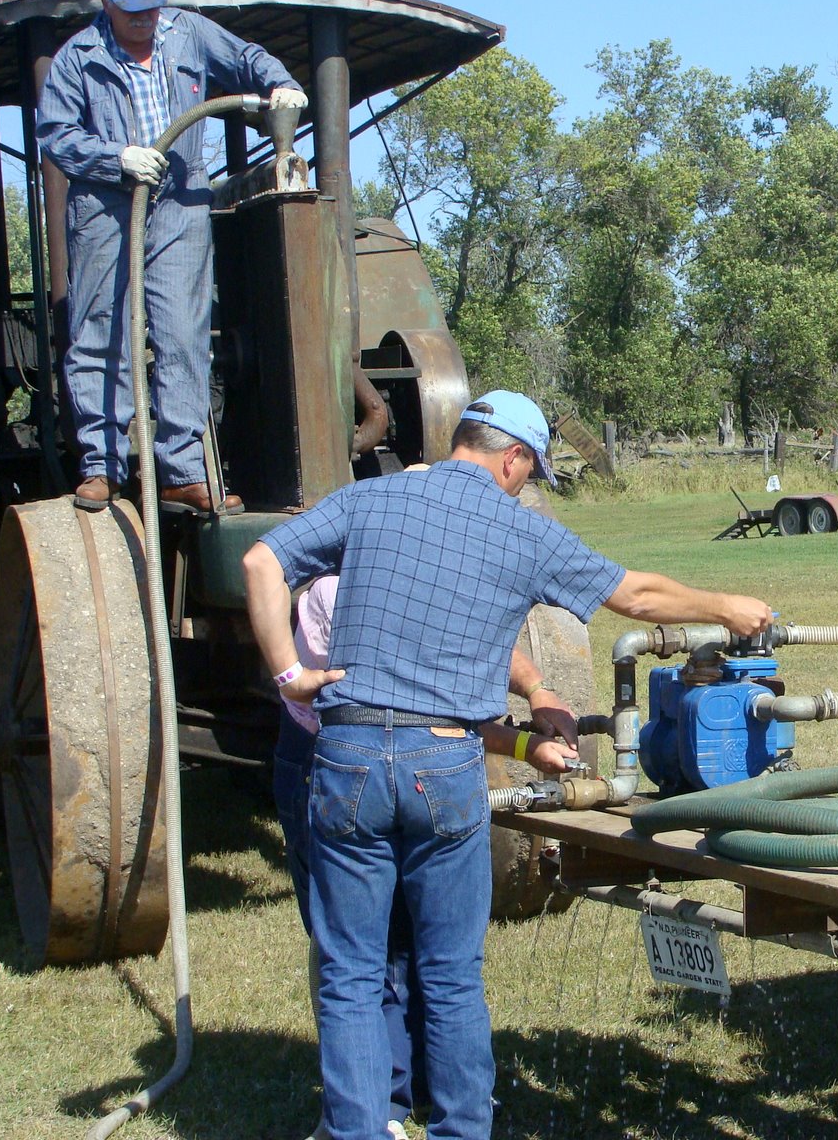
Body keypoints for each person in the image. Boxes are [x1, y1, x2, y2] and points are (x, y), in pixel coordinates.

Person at [243, 390, 773, 1140]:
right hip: (445, 760)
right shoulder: (518, 531)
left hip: (347, 756)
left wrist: (289, 674)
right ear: (512, 457)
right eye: (529, 473)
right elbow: (638, 595)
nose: (526, 486)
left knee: (351, 975)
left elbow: (261, 558)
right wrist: (725, 605)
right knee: (451, 974)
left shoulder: (371, 500)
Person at [277, 571, 579, 1140]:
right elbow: (417, 713)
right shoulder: (342, 593)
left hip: (371, 759)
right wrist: (523, 741)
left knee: (379, 957)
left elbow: (444, 697)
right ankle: (387, 1105)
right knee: (377, 956)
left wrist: (535, 696)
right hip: (336, 753)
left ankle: (385, 1103)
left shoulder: (408, 571)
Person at [37, 0, 308, 513]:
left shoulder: (189, 33)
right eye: (131, 9)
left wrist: (279, 85)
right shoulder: (76, 59)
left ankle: (182, 471)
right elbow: (56, 135)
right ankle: (101, 467)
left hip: (180, 204)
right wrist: (117, 159)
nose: (144, 18)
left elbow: (248, 57)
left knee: (183, 335)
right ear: (106, 2)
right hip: (106, 208)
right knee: (101, 334)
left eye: (151, 7)